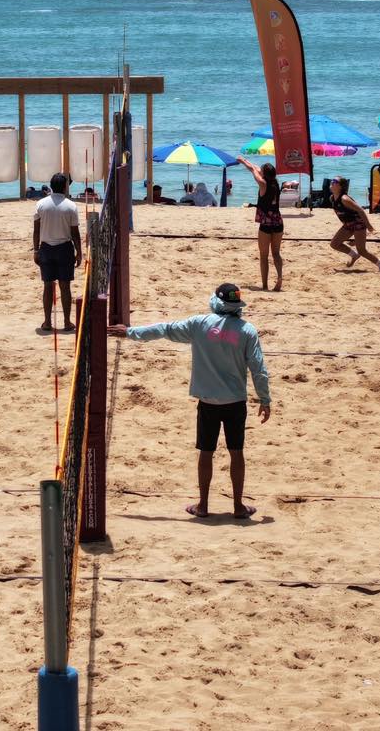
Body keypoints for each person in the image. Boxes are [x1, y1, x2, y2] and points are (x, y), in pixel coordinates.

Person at [108, 283, 272, 519]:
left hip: (208, 402)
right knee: (237, 452)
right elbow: (259, 369)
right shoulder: (247, 331)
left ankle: (203, 505)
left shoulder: (199, 324)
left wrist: (129, 332)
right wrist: (264, 399)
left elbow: (163, 329)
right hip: (235, 401)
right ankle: (238, 506)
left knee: (206, 452)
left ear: (217, 302)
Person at [33, 173, 81, 332]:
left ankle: (47, 322)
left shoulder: (40, 204)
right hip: (64, 248)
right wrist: (79, 252)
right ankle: (67, 322)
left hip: (46, 248)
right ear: (65, 186)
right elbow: (75, 233)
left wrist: (36, 250)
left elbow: (36, 231)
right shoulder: (71, 206)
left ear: (51, 186)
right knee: (65, 287)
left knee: (48, 286)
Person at [236, 156, 283, 291]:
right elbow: (256, 168)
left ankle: (265, 285)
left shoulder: (263, 184)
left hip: (266, 223)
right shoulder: (275, 182)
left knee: (263, 255)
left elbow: (253, 170)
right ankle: (279, 277)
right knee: (276, 253)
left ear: (264, 174)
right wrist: (247, 160)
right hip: (278, 221)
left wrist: (242, 161)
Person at [329, 176, 380, 272]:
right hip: (348, 224)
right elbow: (338, 212)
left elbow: (360, 210)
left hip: (358, 224)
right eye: (332, 180)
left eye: (334, 181)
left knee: (362, 250)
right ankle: (354, 255)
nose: (332, 182)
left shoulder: (344, 199)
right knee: (334, 244)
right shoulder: (332, 198)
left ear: (340, 186)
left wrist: (368, 226)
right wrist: (345, 226)